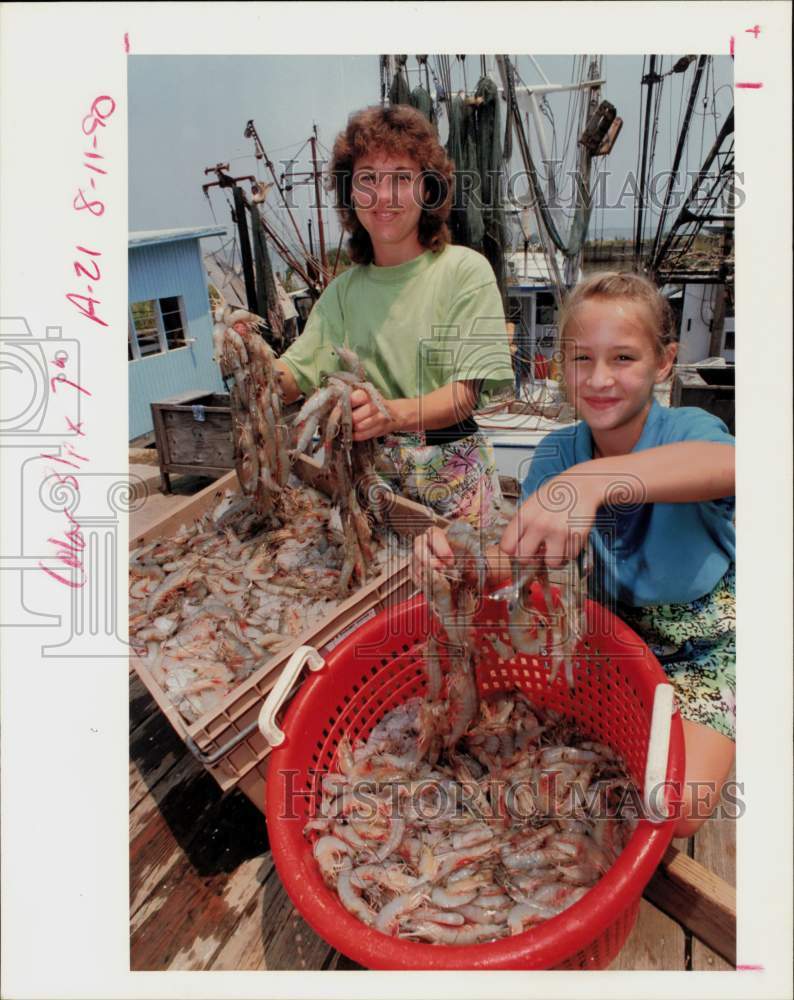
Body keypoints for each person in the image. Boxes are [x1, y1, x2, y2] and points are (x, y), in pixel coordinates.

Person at [414, 271, 736, 838]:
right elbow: (517, 558)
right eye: (581, 359)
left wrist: (594, 480)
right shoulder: (555, 451)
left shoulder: (688, 429)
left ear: (665, 363)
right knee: (530, 746)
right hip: (602, 634)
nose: (600, 378)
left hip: (700, 644)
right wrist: (457, 562)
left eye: (623, 358)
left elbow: (735, 468)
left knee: (675, 808)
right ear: (561, 367)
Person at [273, 104, 515, 528]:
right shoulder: (342, 293)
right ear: (351, 193)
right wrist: (254, 366)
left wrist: (391, 414)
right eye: (368, 179)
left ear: (429, 189)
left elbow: (465, 394)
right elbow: (294, 374)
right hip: (371, 486)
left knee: (469, 588)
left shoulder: (465, 271)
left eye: (402, 178)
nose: (383, 197)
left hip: (456, 486)